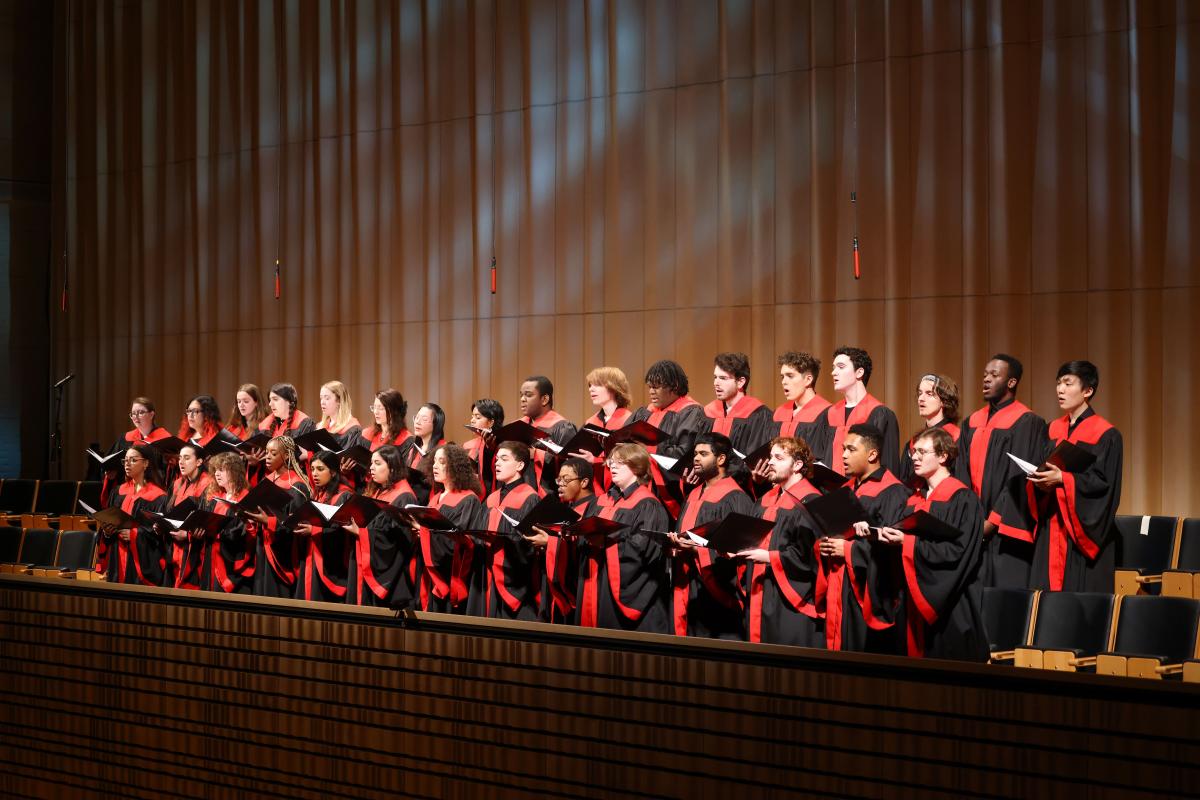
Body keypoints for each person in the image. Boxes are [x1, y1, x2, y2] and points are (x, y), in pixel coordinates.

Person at [875, 428, 988, 661]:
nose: (914, 457)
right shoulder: (914, 500)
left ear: (943, 456)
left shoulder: (962, 499)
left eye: (922, 452)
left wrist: (907, 542)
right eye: (913, 452)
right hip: (910, 604)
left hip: (949, 607)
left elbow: (959, 553)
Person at [1027, 361, 1123, 593]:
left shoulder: (1106, 434)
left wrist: (1064, 479)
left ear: (1087, 391)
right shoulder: (1050, 430)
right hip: (1051, 528)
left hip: (1079, 533)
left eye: (1068, 384)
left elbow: (1105, 485)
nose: (1060, 389)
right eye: (1058, 383)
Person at [955, 354, 1048, 589]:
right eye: (985, 374)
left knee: (1003, 602)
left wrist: (992, 521)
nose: (986, 379)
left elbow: (1019, 477)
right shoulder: (971, 422)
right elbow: (961, 470)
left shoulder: (1027, 422)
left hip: (1006, 530)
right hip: (974, 525)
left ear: (1011, 382)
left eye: (994, 375)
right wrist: (971, 517)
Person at [816, 424, 910, 653]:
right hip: (840, 587)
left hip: (867, 592)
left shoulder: (893, 492)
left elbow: (892, 550)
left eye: (850, 449)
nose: (843, 455)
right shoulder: (845, 490)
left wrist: (848, 551)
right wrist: (824, 545)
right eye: (843, 449)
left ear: (872, 454)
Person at [734, 436, 824, 647]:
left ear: (798, 465)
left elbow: (811, 555)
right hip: (761, 593)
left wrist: (770, 557)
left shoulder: (810, 501)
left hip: (789, 600)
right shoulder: (765, 500)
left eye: (779, 458)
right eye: (771, 456)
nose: (771, 462)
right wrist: (735, 549)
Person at [669, 432, 757, 640]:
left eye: (703, 453)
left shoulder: (735, 498)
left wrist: (697, 551)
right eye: (695, 453)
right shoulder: (693, 494)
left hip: (719, 593)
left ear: (721, 459)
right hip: (691, 587)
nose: (696, 458)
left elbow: (740, 549)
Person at [576, 443, 671, 633]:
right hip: (594, 581)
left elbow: (646, 551)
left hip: (623, 589)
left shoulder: (648, 505)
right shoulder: (600, 502)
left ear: (637, 467)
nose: (612, 466)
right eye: (611, 462)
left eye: (620, 462)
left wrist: (606, 543)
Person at [413, 443, 487, 614]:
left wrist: (424, 532)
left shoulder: (468, 500)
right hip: (433, 576)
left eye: (442, 462)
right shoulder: (435, 499)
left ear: (454, 466)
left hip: (452, 575)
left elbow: (462, 541)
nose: (435, 466)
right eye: (434, 462)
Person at [629, 359, 707, 520]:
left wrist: (649, 449)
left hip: (671, 492)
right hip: (642, 489)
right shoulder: (645, 413)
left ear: (675, 386)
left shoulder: (691, 412)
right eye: (650, 387)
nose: (651, 392)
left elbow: (684, 454)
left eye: (656, 387)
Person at [344, 445, 418, 607]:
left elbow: (397, 543)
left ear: (391, 467)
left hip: (391, 578)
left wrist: (361, 533)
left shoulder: (404, 497)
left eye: (377, 463)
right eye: (371, 463)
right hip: (365, 561)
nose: (371, 467)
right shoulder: (380, 490)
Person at [480, 441, 543, 621]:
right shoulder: (491, 499)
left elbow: (530, 546)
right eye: (497, 459)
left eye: (504, 459)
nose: (497, 463)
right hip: (489, 577)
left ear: (520, 465)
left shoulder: (529, 498)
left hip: (514, 579)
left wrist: (504, 542)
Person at [244, 435, 311, 597]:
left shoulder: (297, 487)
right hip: (263, 547)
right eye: (267, 452)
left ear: (287, 455)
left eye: (273, 453)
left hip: (283, 555)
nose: (267, 457)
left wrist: (269, 521)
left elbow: (296, 527)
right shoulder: (266, 482)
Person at [533, 456, 597, 623]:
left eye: (565, 479)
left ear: (583, 482)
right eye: (558, 479)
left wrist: (550, 542)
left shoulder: (594, 509)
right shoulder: (565, 509)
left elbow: (583, 549)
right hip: (555, 587)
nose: (559, 484)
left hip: (579, 587)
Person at [821, 346, 901, 476]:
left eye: (840, 367)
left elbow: (889, 465)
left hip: (865, 492)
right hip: (832, 492)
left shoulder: (880, 414)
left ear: (859, 372)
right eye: (833, 367)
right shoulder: (829, 414)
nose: (833, 372)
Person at [100, 444, 168, 586]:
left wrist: (134, 534)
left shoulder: (158, 497)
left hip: (139, 563)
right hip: (117, 558)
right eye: (125, 461)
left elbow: (160, 535)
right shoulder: (118, 492)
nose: (127, 464)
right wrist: (107, 532)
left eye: (133, 460)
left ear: (146, 463)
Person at [293, 450, 355, 603]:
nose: (314, 474)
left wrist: (313, 530)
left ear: (333, 472)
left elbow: (341, 533)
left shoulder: (344, 496)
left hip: (330, 563)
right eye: (312, 469)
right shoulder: (318, 494)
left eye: (320, 469)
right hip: (311, 556)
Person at [201, 452, 258, 594]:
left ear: (234, 471)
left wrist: (219, 534)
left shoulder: (245, 499)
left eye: (222, 469)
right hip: (212, 561)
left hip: (232, 564)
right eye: (215, 470)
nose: (217, 474)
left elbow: (245, 534)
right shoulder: (217, 498)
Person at [99, 397, 172, 506]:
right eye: (133, 413)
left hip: (152, 496)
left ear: (151, 415)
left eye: (141, 412)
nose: (136, 417)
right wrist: (111, 475)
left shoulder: (164, 439)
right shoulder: (125, 439)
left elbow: (169, 472)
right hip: (128, 492)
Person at [572, 367, 634, 492]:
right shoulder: (590, 422)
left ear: (614, 387)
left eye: (597, 385)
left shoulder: (629, 420)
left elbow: (632, 460)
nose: (591, 389)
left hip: (620, 488)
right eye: (590, 385)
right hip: (593, 488)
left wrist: (595, 460)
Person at [703, 352, 773, 458]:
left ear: (740, 382)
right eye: (715, 377)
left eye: (723, 378)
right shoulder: (709, 412)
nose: (716, 383)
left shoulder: (758, 414)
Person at [164, 442, 213, 590]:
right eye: (180, 458)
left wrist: (187, 534)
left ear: (199, 462)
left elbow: (208, 520)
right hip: (176, 549)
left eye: (186, 458)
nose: (181, 462)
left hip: (195, 552)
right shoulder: (177, 484)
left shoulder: (208, 484)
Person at [519, 376, 578, 495]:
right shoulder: (519, 426)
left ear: (544, 399)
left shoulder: (562, 427)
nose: (522, 399)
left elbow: (569, 465)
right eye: (521, 395)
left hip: (549, 496)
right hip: (521, 494)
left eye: (528, 395)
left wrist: (536, 454)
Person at [898, 374, 961, 486]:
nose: (921, 399)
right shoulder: (912, 443)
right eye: (920, 393)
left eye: (929, 394)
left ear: (944, 401)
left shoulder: (957, 438)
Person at [772, 352, 832, 458]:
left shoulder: (826, 414)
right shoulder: (779, 413)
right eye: (782, 377)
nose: (784, 382)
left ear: (808, 379)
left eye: (790, 376)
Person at [463, 398, 503, 494]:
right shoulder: (468, 445)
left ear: (490, 423)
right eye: (472, 416)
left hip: (495, 493)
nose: (472, 420)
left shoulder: (503, 445)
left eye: (477, 417)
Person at [315, 380, 362, 448]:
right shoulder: (319, 426)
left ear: (339, 400)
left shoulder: (352, 429)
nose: (322, 402)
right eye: (321, 398)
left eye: (327, 398)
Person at [409, 402, 446, 469]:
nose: (417, 422)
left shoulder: (443, 450)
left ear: (436, 424)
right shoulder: (414, 448)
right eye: (417, 417)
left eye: (424, 419)